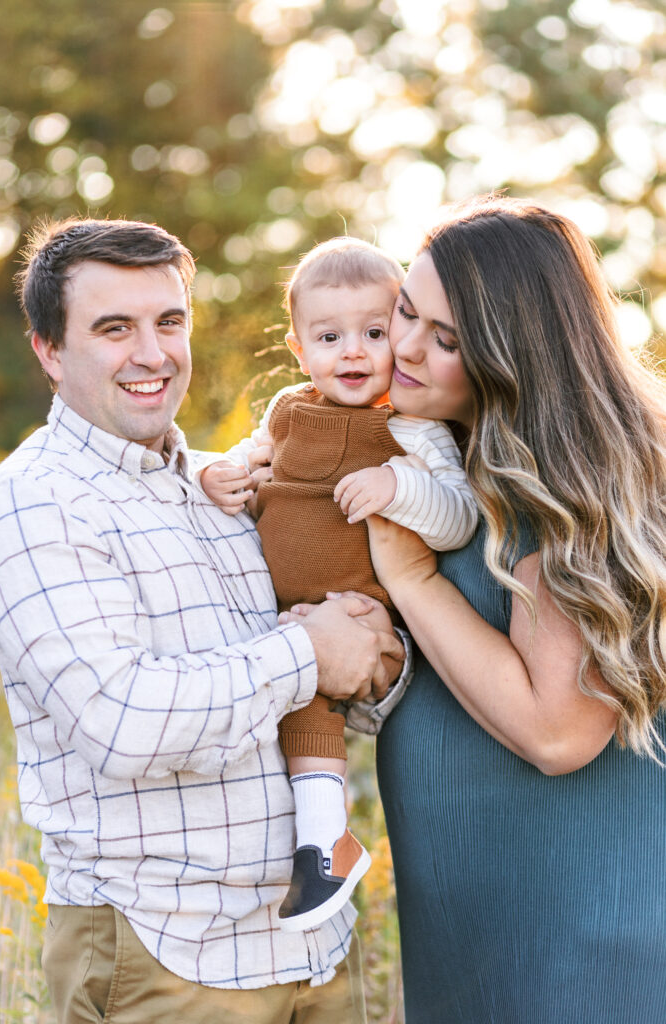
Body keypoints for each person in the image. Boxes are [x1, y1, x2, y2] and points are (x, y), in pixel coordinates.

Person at [0, 217, 409, 1024]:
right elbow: (122, 721)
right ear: (47, 349)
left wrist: (374, 655)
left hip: (314, 950)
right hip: (167, 957)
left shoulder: (230, 488)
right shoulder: (30, 504)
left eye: (168, 322)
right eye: (115, 329)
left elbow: (346, 682)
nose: (152, 353)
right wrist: (310, 652)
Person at [336, 194, 665, 1023]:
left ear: (516, 356)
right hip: (481, 923)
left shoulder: (561, 480)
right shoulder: (446, 458)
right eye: (406, 310)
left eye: (446, 340)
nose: (406, 347)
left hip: (580, 944)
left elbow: (557, 732)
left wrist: (414, 584)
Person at [201, 237, 477, 931]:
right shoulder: (289, 410)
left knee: (310, 713)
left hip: (349, 617)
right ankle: (303, 847)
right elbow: (250, 456)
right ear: (297, 347)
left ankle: (325, 846)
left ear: (402, 336)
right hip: (270, 614)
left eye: (375, 333)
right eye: (329, 337)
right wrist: (218, 473)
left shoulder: (410, 428)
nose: (352, 352)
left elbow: (457, 516)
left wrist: (397, 487)